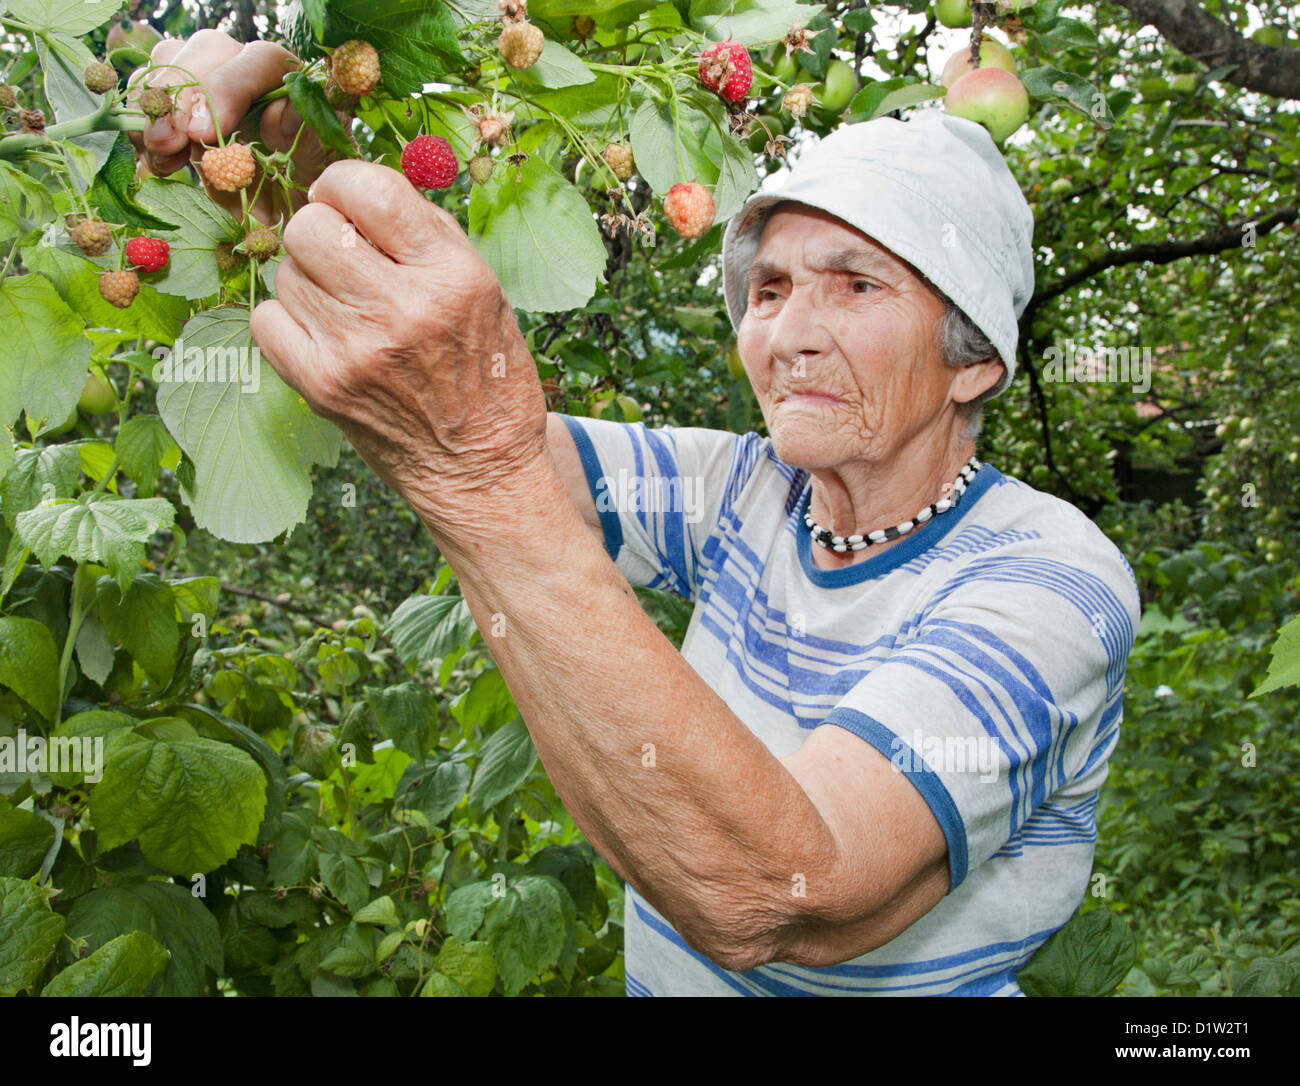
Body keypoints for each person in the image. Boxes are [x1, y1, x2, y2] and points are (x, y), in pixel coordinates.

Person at [133, 32, 1141, 996]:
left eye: (856, 284)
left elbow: (783, 894)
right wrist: (279, 146)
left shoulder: (1048, 580)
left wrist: (478, 480)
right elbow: (453, 404)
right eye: (772, 286)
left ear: (975, 362)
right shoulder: (748, 492)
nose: (788, 333)